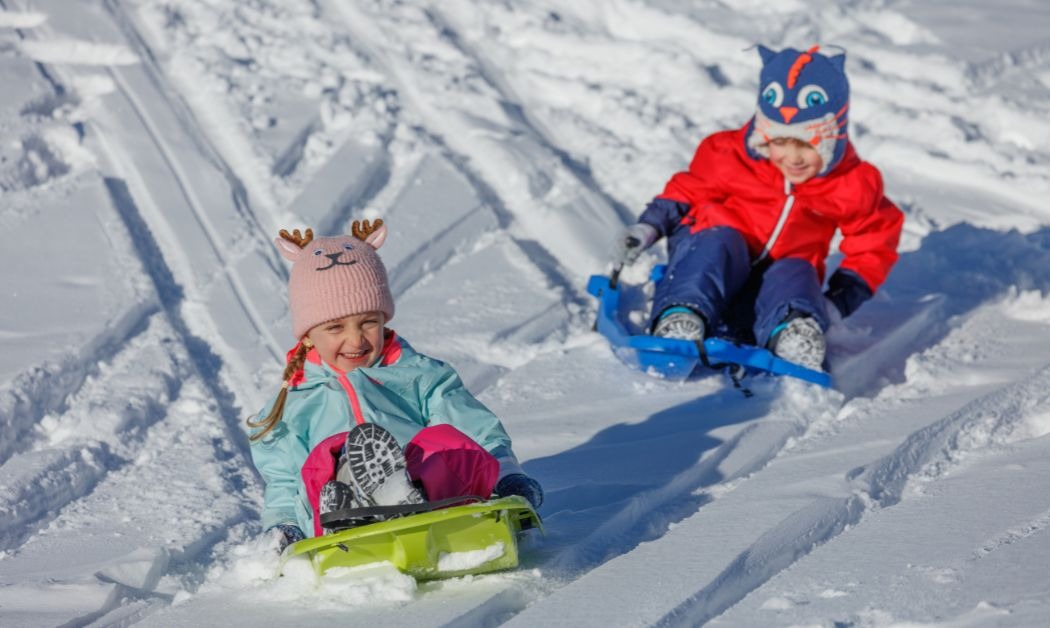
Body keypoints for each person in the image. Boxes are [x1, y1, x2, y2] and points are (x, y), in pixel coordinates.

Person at [246, 220, 543, 552]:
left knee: (445, 443)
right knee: (324, 459)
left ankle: (401, 495)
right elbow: (285, 479)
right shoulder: (296, 402)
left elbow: (476, 429)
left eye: (368, 323)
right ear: (308, 335)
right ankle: (354, 504)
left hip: (431, 494)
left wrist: (507, 476)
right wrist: (284, 526)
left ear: (384, 319)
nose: (355, 340)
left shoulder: (420, 375)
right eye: (335, 327)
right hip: (334, 511)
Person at [614, 44, 903, 370]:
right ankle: (682, 316)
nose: (792, 158)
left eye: (807, 146)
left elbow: (875, 239)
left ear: (832, 140)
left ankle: (793, 332)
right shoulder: (730, 156)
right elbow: (686, 192)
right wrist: (649, 227)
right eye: (779, 142)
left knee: (797, 269)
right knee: (720, 241)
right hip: (713, 258)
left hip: (772, 284)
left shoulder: (850, 183)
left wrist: (839, 300)